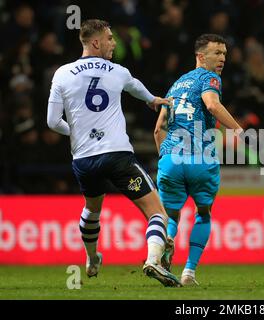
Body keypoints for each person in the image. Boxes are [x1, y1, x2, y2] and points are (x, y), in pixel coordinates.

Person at [47, 19, 181, 287]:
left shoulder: (62, 73)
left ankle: (92, 257)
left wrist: (77, 133)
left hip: (84, 160)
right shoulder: (117, 71)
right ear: (95, 42)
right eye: (109, 38)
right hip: (117, 156)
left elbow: (52, 122)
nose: (114, 42)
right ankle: (153, 260)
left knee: (92, 209)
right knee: (157, 213)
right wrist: (153, 99)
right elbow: (136, 88)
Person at [153, 34, 242, 286]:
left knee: (170, 215)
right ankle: (189, 272)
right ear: (201, 57)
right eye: (217, 53)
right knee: (203, 213)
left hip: (170, 158)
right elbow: (212, 106)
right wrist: (237, 129)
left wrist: (165, 157)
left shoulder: (175, 85)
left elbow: (158, 128)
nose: (223, 58)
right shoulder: (210, 78)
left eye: (224, 53)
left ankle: (164, 250)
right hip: (201, 158)